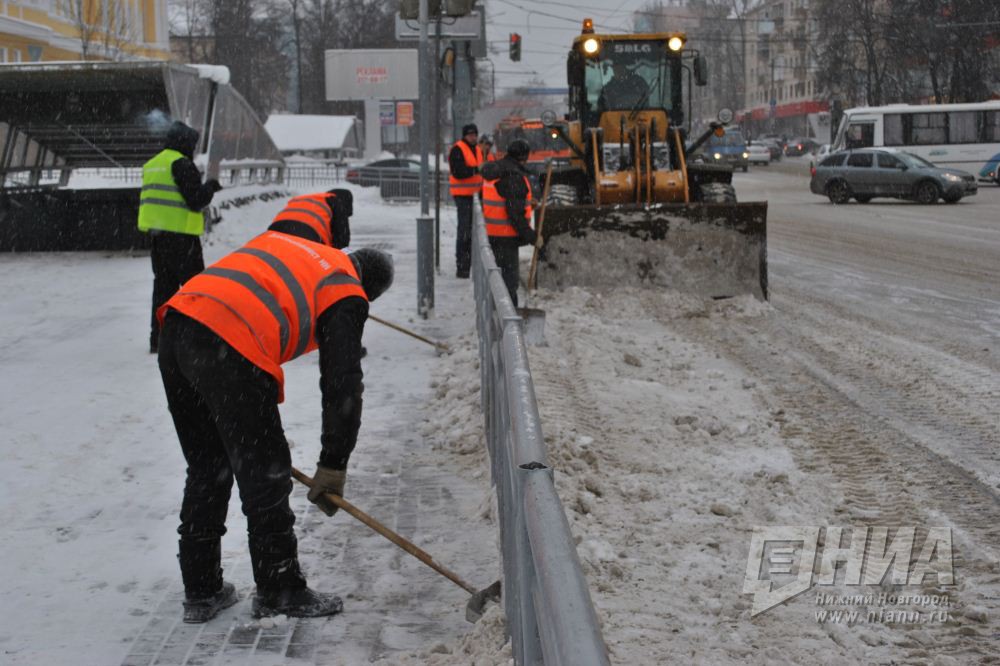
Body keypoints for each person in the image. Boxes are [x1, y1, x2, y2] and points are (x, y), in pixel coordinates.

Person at [156, 212, 394, 623]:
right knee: (265, 471)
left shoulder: (306, 250)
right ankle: (279, 587)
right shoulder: (345, 288)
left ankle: (201, 588)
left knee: (208, 464)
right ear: (368, 291)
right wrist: (334, 463)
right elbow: (342, 383)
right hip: (229, 339)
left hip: (178, 326)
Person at [138, 120, 222, 354]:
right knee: (197, 289)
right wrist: (211, 188)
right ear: (184, 143)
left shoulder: (153, 164)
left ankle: (159, 339)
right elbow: (196, 200)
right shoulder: (181, 164)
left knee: (163, 290)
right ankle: (204, 336)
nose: (193, 150)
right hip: (182, 239)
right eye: (192, 145)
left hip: (158, 238)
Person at [480, 138, 536, 306]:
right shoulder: (513, 176)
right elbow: (514, 213)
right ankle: (508, 322)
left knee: (496, 279)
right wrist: (530, 235)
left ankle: (496, 313)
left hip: (491, 233)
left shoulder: (495, 169)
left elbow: (500, 199)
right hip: (507, 236)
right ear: (524, 157)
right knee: (508, 283)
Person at [448, 123, 484, 278]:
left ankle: (467, 265)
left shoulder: (477, 149)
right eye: (470, 135)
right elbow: (458, 172)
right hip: (463, 196)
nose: (473, 137)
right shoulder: (458, 149)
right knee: (464, 232)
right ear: (464, 136)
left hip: (475, 195)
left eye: (475, 135)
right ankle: (462, 267)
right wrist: (476, 170)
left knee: (472, 232)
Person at [270, 189, 353, 249]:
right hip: (307, 234)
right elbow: (341, 240)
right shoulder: (335, 201)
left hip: (274, 230)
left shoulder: (312, 199)